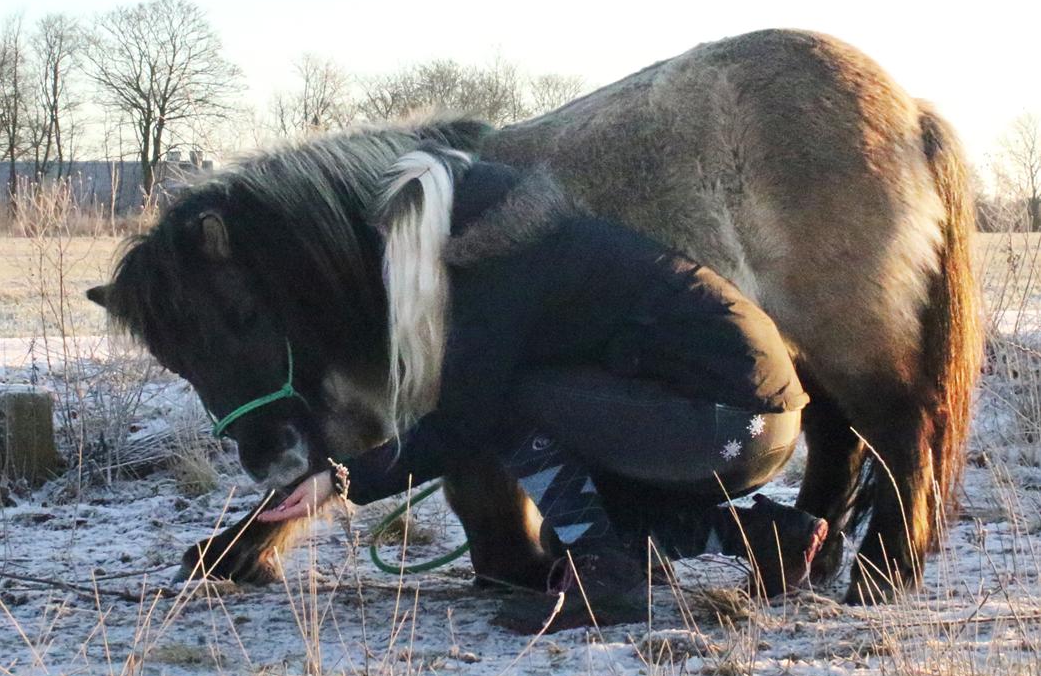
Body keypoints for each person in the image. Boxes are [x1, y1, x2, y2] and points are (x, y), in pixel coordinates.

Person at [258, 148, 827, 630]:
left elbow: (467, 420)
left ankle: (608, 580)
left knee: (510, 408)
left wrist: (342, 478)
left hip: (724, 421)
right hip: (764, 424)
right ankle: (765, 537)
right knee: (574, 526)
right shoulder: (549, 245)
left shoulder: (498, 276)